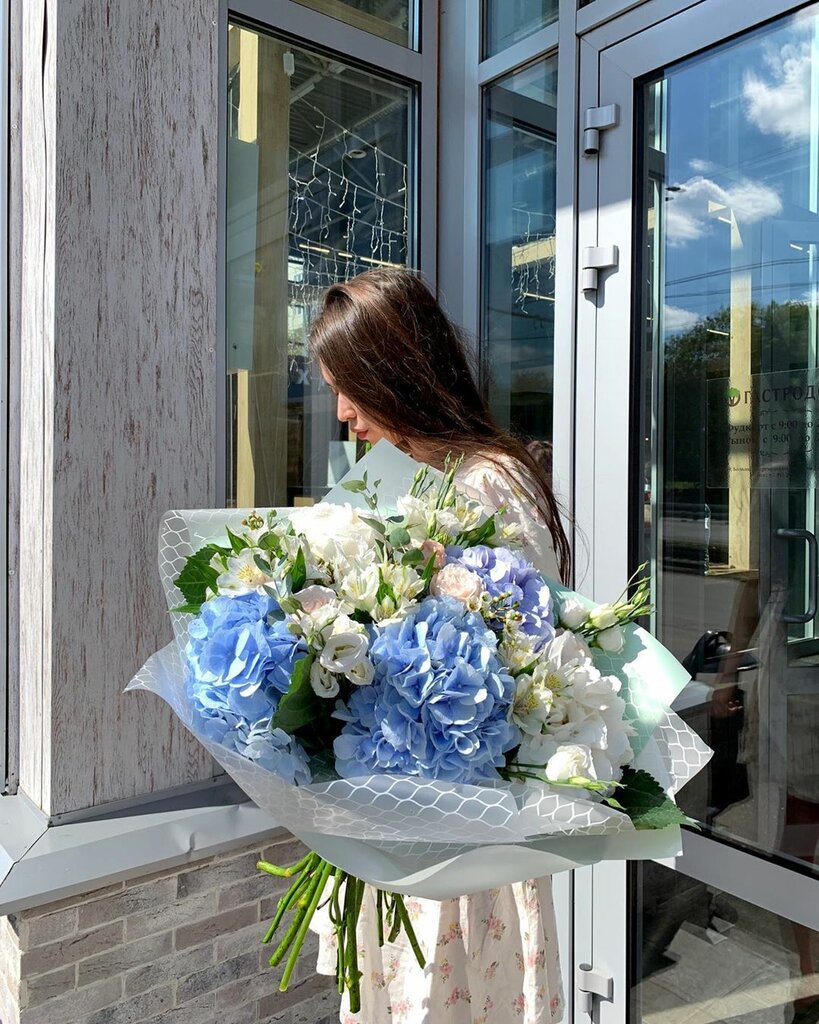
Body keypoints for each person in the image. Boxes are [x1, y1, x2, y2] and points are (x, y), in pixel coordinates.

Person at [307, 267, 570, 1024]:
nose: (342, 414)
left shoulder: (487, 483)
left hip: (462, 837)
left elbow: (528, 656)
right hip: (395, 818)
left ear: (394, 375)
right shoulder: (404, 476)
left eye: (348, 387)